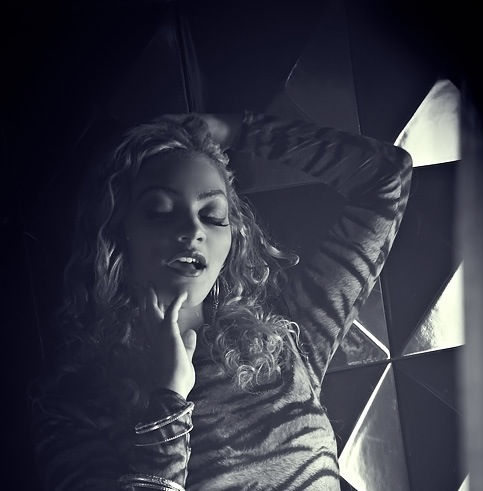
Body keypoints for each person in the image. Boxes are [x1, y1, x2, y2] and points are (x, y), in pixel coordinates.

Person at [31, 111, 412, 490]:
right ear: (116, 233)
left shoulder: (283, 341)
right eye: (160, 211)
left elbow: (387, 177)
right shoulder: (74, 405)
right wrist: (169, 399)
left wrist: (240, 131)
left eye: (213, 215)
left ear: (234, 237)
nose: (192, 229)